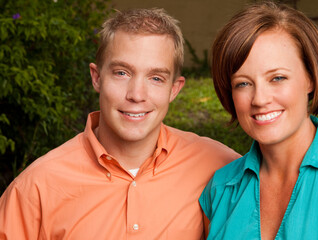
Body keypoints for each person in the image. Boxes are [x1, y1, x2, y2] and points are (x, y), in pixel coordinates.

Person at [0, 8, 240, 239]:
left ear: (174, 89)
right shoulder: (36, 188)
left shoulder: (220, 167)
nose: (136, 94)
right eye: (122, 73)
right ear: (97, 78)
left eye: (156, 78)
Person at [199, 2, 318, 239]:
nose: (260, 99)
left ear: (311, 78)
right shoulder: (220, 190)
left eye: (277, 78)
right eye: (243, 83)